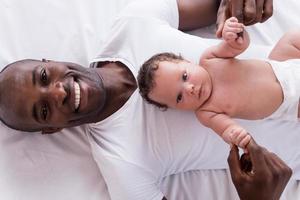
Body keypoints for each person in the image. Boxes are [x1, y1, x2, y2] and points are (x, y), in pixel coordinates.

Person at [0, 0, 292, 199]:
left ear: (49, 61)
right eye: (42, 110)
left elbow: (217, 8)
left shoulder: (133, 23)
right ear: (52, 129)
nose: (57, 92)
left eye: (42, 77)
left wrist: (238, 8)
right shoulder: (120, 162)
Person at [137, 17, 300, 150]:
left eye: (185, 76)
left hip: (283, 65)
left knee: (292, 37)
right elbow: (227, 129)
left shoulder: (210, 59)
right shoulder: (206, 112)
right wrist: (235, 135)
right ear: (176, 108)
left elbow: (239, 45)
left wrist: (235, 33)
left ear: (187, 61)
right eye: (179, 97)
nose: (189, 89)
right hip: (291, 103)